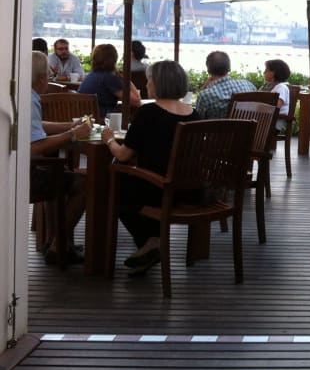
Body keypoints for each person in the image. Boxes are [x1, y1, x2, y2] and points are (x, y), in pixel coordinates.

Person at [101, 60, 199, 275]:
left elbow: (123, 155)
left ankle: (151, 243)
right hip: (189, 190)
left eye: (149, 79)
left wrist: (108, 139)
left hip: (157, 188)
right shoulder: (194, 114)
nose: (147, 84)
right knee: (131, 183)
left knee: (112, 186)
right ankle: (149, 248)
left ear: (158, 83)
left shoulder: (149, 113)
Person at [29, 51, 91, 265]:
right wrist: (73, 135)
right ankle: (58, 244)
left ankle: (56, 242)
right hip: (27, 176)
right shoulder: (30, 99)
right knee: (84, 184)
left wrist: (70, 125)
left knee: (60, 176)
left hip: (23, 169)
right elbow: (36, 146)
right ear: (42, 78)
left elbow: (38, 127)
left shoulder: (22, 93)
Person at [78, 43, 141, 122]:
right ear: (114, 59)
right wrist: (126, 79)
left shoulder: (91, 76)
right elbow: (136, 101)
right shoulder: (109, 78)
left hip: (85, 118)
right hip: (102, 120)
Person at [195, 50, 256, 119]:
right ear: (229, 68)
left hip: (217, 129)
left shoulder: (205, 95)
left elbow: (198, 120)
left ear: (209, 71)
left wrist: (203, 89)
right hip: (248, 129)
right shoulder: (247, 85)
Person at [261, 58, 291, 130]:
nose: (264, 72)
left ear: (274, 72)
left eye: (266, 70)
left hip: (274, 121)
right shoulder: (268, 86)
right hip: (265, 118)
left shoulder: (281, 87)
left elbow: (276, 107)